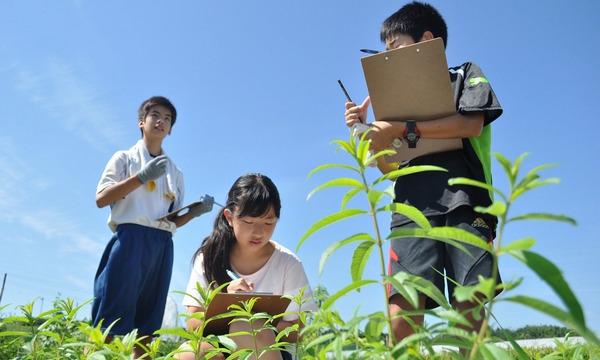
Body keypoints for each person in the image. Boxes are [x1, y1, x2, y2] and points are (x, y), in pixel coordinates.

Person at [343, 2, 503, 342]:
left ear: (427, 41)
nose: (386, 58)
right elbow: (389, 169)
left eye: (393, 48)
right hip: (409, 209)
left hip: (466, 201)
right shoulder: (391, 104)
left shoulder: (464, 74)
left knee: (470, 304)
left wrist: (401, 127)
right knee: (402, 308)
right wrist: (366, 134)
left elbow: (471, 123)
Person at [92, 96, 214, 358]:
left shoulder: (175, 172)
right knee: (110, 320)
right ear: (141, 122)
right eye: (155, 115)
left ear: (170, 130)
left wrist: (194, 212)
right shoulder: (124, 158)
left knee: (149, 324)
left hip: (162, 246)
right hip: (130, 240)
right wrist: (141, 177)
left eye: (168, 119)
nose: (161, 121)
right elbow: (102, 198)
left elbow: (172, 220)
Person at [176, 173, 317, 360]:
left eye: (268, 222)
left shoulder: (288, 264)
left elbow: (301, 328)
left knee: (246, 327)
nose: (258, 232)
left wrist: (259, 324)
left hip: (271, 349)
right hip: (219, 345)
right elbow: (193, 323)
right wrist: (224, 298)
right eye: (248, 222)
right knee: (188, 354)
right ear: (229, 217)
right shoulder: (209, 257)